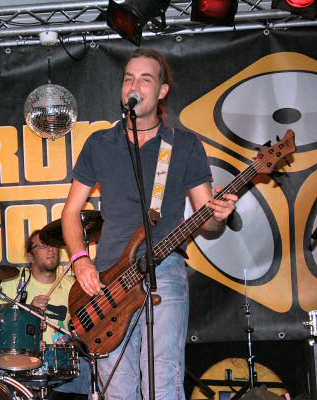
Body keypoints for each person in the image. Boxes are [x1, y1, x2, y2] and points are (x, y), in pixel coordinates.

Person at [60, 48, 238, 399]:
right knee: (116, 389)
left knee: (163, 382)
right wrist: (81, 260)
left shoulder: (183, 145)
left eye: (145, 79)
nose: (134, 85)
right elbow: (70, 213)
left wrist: (219, 216)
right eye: (128, 78)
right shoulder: (100, 143)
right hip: (108, 277)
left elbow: (207, 223)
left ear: (162, 91)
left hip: (164, 269)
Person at [0, 230, 90, 399]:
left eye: (53, 245)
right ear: (30, 257)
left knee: (93, 370)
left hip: (63, 363)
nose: (50, 249)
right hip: (23, 361)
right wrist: (29, 310)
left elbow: (85, 326)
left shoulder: (72, 285)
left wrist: (73, 337)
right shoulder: (13, 282)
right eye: (42, 246)